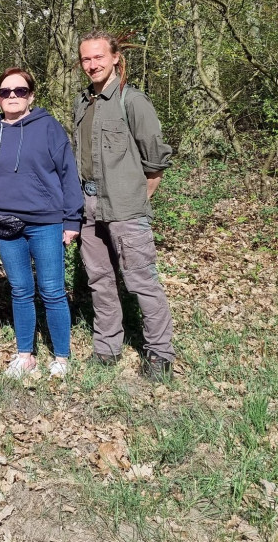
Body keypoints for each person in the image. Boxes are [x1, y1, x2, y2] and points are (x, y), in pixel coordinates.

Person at [75, 31, 175, 380]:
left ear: (115, 57)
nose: (93, 64)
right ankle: (107, 348)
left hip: (125, 207)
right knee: (100, 280)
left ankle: (160, 355)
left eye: (99, 57)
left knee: (141, 282)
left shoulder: (132, 101)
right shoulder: (83, 102)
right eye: (86, 59)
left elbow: (155, 162)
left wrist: (135, 199)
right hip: (88, 205)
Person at [0, 68, 81, 379]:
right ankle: (25, 355)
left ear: (31, 95)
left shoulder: (48, 128)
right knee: (20, 290)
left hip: (45, 222)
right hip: (4, 224)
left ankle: (61, 356)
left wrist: (71, 218)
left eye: (20, 91)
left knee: (51, 289)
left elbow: (67, 172)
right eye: (6, 91)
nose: (13, 96)